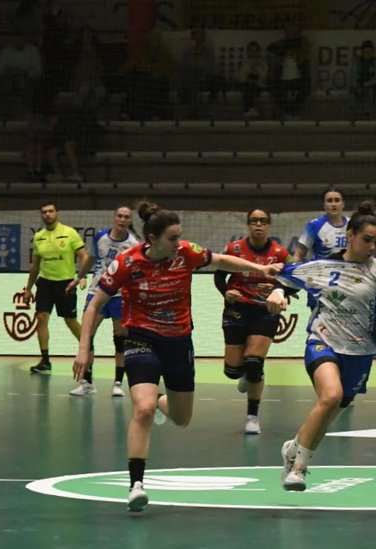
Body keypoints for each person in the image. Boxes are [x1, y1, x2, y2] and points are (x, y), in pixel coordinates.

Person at [72, 201, 282, 511]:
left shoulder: (185, 252)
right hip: (140, 339)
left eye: (179, 236)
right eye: (172, 237)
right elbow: (93, 305)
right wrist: (83, 348)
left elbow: (222, 260)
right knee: (141, 409)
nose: (178, 242)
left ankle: (159, 400)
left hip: (178, 342)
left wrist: (260, 268)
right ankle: (136, 485)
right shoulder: (127, 263)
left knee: (182, 418)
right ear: (152, 239)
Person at [266, 201, 376, 491]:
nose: (372, 247)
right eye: (366, 240)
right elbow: (286, 278)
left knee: (332, 410)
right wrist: (277, 294)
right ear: (350, 235)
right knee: (331, 396)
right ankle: (298, 468)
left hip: (360, 352)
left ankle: (294, 447)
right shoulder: (322, 266)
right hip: (322, 341)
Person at [214, 209, 290, 434]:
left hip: (265, 310)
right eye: (254, 221)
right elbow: (219, 276)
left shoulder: (280, 253)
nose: (258, 225)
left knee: (255, 362)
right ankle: (244, 373)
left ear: (269, 226)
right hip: (237, 309)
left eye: (263, 221)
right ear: (248, 225)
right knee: (232, 371)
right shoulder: (234, 249)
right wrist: (226, 292)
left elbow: (290, 279)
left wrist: (279, 291)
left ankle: (252, 416)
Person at [74, 205, 141, 397]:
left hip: (120, 296)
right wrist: (79, 276)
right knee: (87, 335)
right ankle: (87, 382)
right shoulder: (100, 237)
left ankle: (118, 382)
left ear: (130, 221)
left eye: (126, 217)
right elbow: (89, 259)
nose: (122, 219)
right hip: (97, 292)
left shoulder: (133, 244)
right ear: (114, 217)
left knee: (120, 339)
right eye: (119, 216)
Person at [22, 202, 90, 374]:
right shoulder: (39, 237)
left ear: (57, 213)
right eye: (44, 212)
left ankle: (88, 347)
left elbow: (84, 256)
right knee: (42, 317)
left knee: (70, 320)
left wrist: (82, 277)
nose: (47, 214)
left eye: (51, 211)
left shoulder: (69, 233)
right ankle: (45, 361)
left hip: (65, 283)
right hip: (45, 282)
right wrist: (28, 288)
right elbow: (35, 265)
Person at [292, 186, 348, 262]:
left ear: (343, 204)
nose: (333, 204)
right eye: (329, 201)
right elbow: (298, 255)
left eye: (337, 200)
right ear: (324, 205)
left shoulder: (353, 224)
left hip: (348, 272)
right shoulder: (314, 226)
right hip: (321, 272)